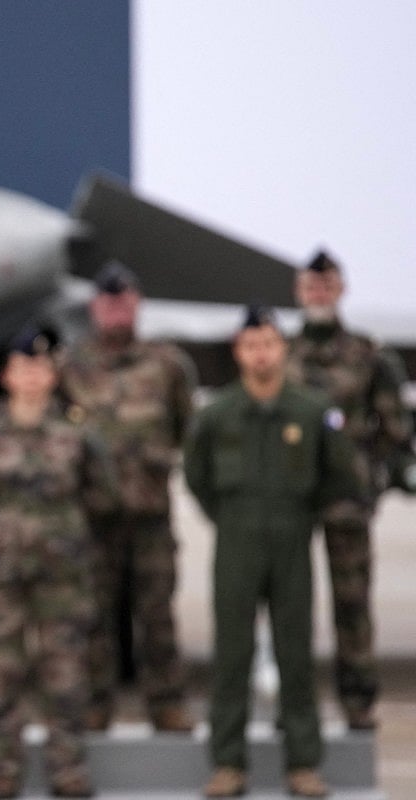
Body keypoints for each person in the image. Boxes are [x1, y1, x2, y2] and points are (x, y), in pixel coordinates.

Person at [184, 305, 361, 798]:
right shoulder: (218, 415)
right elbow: (197, 477)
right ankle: (227, 763)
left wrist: (301, 515)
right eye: (250, 345)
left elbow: (337, 474)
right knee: (232, 655)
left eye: (269, 344)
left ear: (282, 349)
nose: (260, 355)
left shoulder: (309, 411)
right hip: (236, 543)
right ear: (239, 352)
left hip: (292, 541)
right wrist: (228, 517)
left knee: (296, 653)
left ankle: (303, 763)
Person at [0, 324, 117, 799]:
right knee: (1, 672)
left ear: (52, 374)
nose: (30, 376)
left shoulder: (78, 433)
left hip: (63, 574)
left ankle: (68, 768)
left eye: (40, 366)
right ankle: (3, 770)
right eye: (21, 366)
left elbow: (103, 497)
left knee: (64, 671)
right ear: (6, 375)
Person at [57, 261, 196, 732]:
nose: (116, 310)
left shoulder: (167, 364)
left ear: (136, 304)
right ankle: (97, 705)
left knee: (156, 613)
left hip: (150, 515)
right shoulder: (69, 365)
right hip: (94, 518)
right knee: (93, 614)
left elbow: (183, 428)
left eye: (124, 301)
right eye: (107, 302)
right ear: (95, 307)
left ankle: (167, 703)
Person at [286, 249, 413, 730]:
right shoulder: (282, 353)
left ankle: (358, 698)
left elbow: (394, 426)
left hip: (347, 499)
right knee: (289, 602)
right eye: (311, 287)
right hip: (292, 500)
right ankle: (293, 702)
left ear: (340, 290)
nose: (319, 294)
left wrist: (369, 471)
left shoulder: (367, 354)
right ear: (299, 292)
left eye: (327, 286)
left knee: (353, 602)